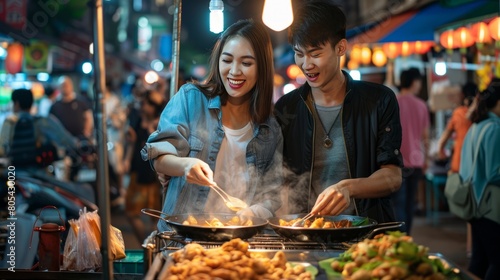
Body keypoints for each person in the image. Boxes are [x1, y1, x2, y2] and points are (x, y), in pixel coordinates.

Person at [141, 19, 283, 232]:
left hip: (239, 239)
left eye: (246, 63)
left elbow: (273, 194)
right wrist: (186, 165)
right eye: (227, 60)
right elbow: (159, 157)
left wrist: (254, 212)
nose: (234, 71)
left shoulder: (270, 127)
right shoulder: (191, 99)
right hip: (184, 236)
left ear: (261, 67)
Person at [274, 0, 403, 223]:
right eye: (299, 54)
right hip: (307, 231)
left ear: (340, 48)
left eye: (315, 53)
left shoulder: (379, 100)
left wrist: (348, 187)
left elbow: (393, 177)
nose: (306, 65)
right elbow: (276, 178)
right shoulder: (287, 108)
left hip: (365, 231)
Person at [459, 80, 500, 280]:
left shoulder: (476, 126)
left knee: (480, 260)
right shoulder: (494, 128)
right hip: (489, 207)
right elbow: (494, 173)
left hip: (474, 203)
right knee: (497, 263)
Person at [390, 67, 430, 234]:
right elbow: (425, 137)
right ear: (414, 82)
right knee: (409, 204)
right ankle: (407, 237)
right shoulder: (421, 105)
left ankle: (401, 238)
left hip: (396, 163)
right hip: (415, 162)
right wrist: (426, 158)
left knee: (398, 203)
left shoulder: (393, 102)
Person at [124, 89, 166, 243]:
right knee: (131, 213)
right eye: (144, 103)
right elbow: (132, 142)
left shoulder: (161, 122)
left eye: (149, 104)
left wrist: (153, 131)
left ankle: (154, 247)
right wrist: (127, 160)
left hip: (154, 174)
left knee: (155, 215)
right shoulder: (136, 119)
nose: (144, 106)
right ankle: (146, 244)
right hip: (138, 170)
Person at [0, 88, 79, 166]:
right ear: (31, 103)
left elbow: (2, 149)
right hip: (38, 171)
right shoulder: (42, 121)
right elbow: (65, 140)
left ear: (16, 103)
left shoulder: (9, 123)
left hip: (14, 170)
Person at [50, 76, 94, 181]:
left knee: (78, 169)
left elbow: (88, 117)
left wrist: (87, 131)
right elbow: (51, 123)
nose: (65, 87)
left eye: (67, 85)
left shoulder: (81, 102)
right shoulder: (55, 105)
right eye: (63, 85)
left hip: (79, 141)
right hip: (63, 144)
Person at [437, 82, 478, 173]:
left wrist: (441, 150)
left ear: (463, 95)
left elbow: (445, 136)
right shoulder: (481, 114)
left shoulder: (459, 113)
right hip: (477, 163)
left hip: (460, 162)